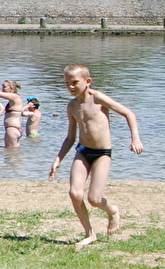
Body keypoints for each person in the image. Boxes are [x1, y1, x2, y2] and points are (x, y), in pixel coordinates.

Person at [49, 63, 143, 247]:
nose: (71, 87)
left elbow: (128, 113)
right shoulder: (72, 106)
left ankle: (112, 211)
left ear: (88, 81)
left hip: (102, 154)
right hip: (82, 151)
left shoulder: (98, 98)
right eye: (67, 83)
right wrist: (58, 159)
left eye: (75, 82)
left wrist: (135, 139)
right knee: (75, 193)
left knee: (94, 199)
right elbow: (70, 137)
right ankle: (89, 234)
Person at [0, 80, 28, 149]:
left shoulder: (15, 96)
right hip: (14, 129)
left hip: (12, 129)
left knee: (10, 156)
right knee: (14, 153)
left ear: (11, 89)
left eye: (4, 87)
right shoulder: (14, 98)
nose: (2, 89)